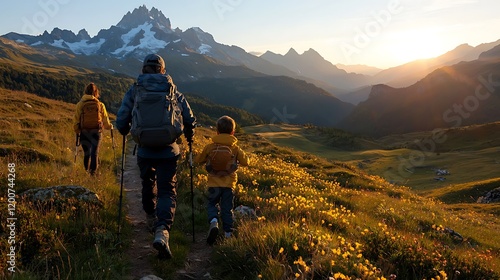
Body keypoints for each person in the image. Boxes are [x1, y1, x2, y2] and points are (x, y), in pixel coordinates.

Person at [115, 54, 196, 259]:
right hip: (169, 149)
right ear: (162, 69)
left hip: (144, 149)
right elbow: (188, 117)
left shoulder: (136, 89)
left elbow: (122, 119)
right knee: (167, 190)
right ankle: (162, 231)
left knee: (147, 183)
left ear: (144, 69)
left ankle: (150, 216)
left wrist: (124, 129)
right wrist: (189, 135)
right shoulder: (172, 89)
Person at [195, 115, 249, 245]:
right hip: (229, 184)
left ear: (217, 131)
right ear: (233, 132)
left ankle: (213, 221)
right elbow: (246, 162)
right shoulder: (235, 148)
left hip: (213, 183)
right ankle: (228, 234)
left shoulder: (210, 147)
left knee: (212, 204)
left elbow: (198, 160)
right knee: (227, 208)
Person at [73, 83, 113, 175]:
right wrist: (109, 127)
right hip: (96, 132)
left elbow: (76, 120)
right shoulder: (100, 104)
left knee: (87, 153)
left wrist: (78, 130)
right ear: (96, 93)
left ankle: (86, 171)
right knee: (94, 153)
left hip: (84, 131)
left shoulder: (80, 104)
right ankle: (93, 174)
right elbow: (105, 119)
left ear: (85, 92)